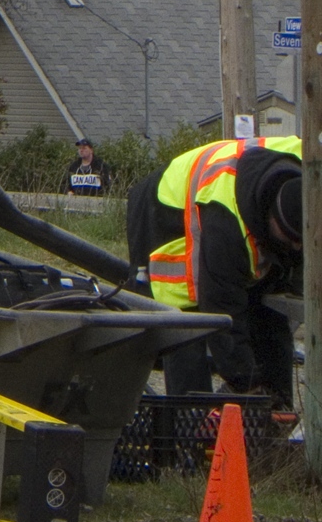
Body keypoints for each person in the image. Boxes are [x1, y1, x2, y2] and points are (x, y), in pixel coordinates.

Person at [126, 134, 302, 402]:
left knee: (267, 310)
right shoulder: (226, 228)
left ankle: (276, 416)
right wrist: (247, 383)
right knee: (185, 321)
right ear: (268, 218)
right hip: (164, 206)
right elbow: (222, 311)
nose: (297, 248)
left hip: (223, 189)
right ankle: (192, 424)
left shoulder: (310, 162)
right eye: (290, 240)